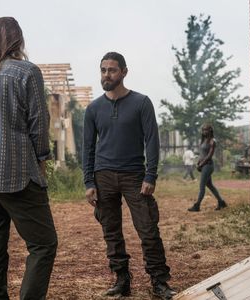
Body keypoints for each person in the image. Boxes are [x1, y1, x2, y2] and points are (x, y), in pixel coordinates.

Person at [0, 17, 57, 300]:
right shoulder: (26, 72)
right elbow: (39, 125)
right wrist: (42, 162)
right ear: (17, 40)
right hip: (15, 175)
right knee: (43, 245)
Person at [83, 52, 176, 299]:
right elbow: (88, 148)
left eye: (112, 70)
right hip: (103, 176)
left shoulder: (141, 103)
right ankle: (121, 281)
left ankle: (159, 282)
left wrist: (151, 175)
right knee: (111, 231)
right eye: (103, 70)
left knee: (148, 229)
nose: (106, 75)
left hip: (134, 175)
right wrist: (89, 182)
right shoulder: (93, 109)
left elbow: (152, 141)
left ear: (124, 72)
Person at [188, 124, 227, 212]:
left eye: (206, 130)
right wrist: (198, 162)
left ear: (210, 130)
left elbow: (209, 156)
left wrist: (201, 164)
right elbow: (202, 154)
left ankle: (197, 205)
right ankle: (221, 202)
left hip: (208, 166)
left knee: (202, 186)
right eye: (203, 130)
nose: (204, 131)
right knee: (210, 185)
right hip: (203, 165)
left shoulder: (213, 141)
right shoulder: (203, 140)